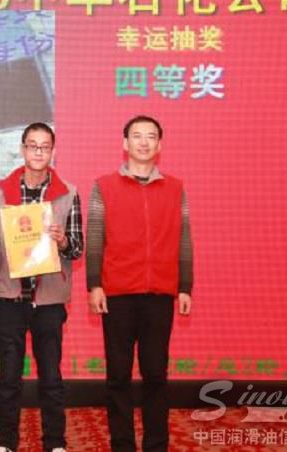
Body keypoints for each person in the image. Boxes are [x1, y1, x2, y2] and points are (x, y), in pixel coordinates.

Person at [86, 115, 193, 452]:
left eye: (150, 136)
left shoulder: (175, 188)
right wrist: (94, 284)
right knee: (118, 376)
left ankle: (156, 445)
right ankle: (122, 445)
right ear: (125, 143)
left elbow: (184, 238)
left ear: (159, 145)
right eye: (136, 135)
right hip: (117, 293)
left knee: (156, 374)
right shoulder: (104, 186)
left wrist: (185, 286)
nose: (143, 142)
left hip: (160, 294)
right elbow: (95, 237)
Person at [0, 123, 83, 452]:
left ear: (53, 151)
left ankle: (55, 442)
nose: (38, 152)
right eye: (32, 145)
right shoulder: (0, 190)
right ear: (22, 149)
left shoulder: (68, 193)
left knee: (51, 377)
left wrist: (62, 241)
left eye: (44, 146)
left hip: (48, 300)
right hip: (9, 298)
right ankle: (5, 441)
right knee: (9, 377)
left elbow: (77, 248)